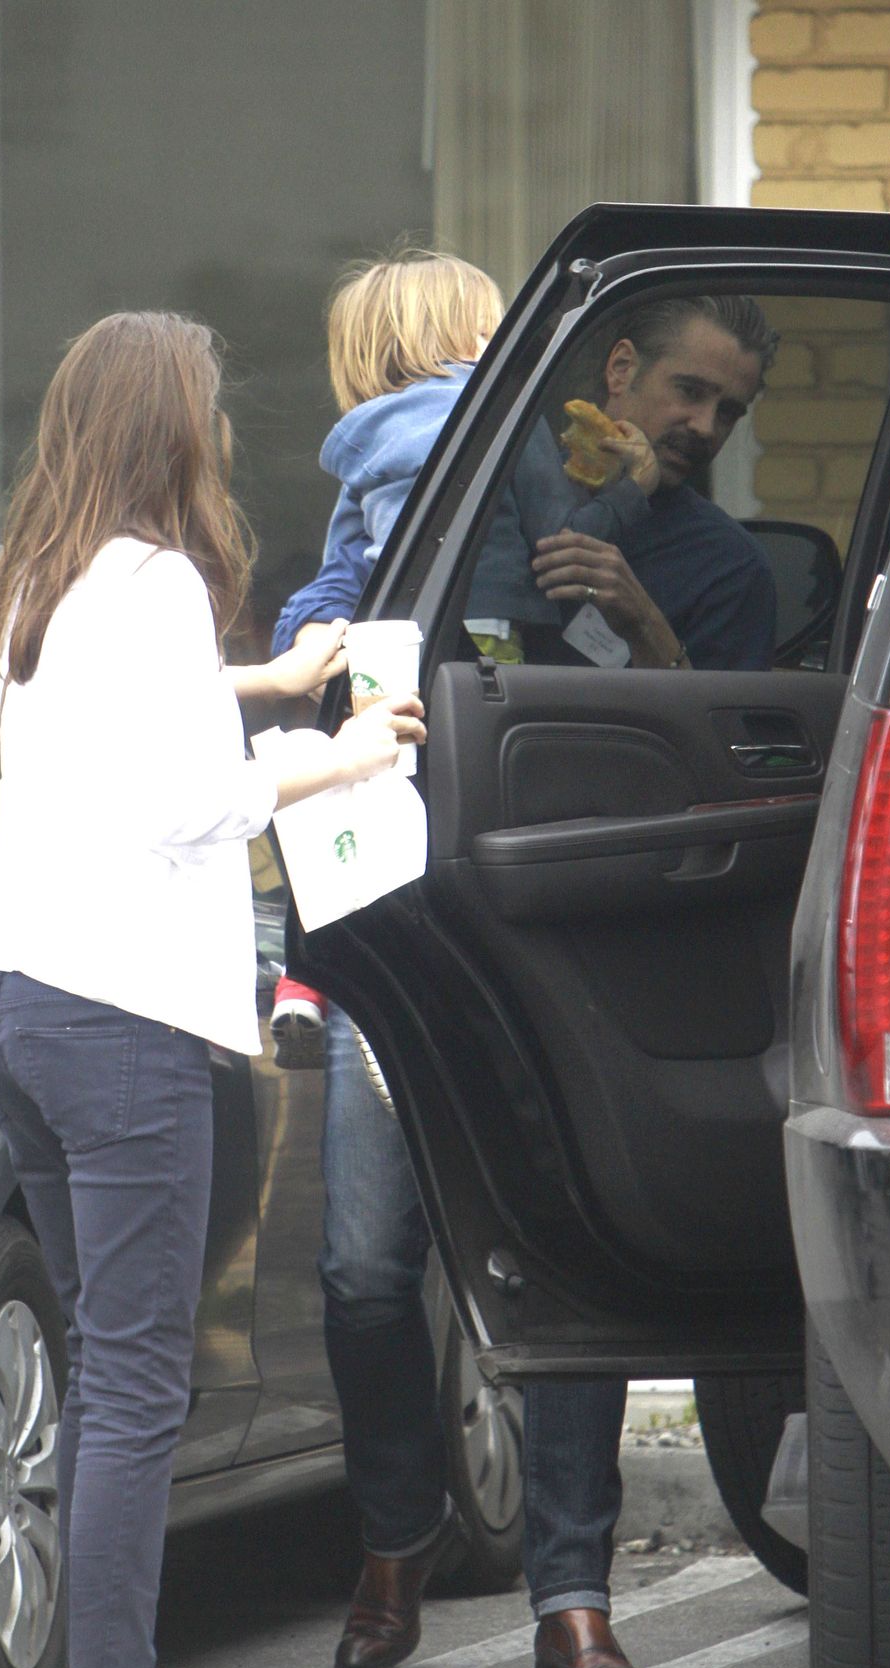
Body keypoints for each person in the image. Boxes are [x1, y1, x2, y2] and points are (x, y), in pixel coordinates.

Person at [279, 281, 778, 1668]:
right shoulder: (455, 497)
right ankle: (395, 1535)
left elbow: (742, 747)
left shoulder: (720, 561)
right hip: (400, 921)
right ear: (615, 370)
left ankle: (575, 1594)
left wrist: (640, 624)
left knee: (570, 1270)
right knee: (367, 1269)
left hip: (574, 941)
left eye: (729, 411)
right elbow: (330, 653)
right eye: (690, 393)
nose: (703, 426)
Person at [0, 310, 424, 1668]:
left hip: (20, 1000)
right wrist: (344, 752)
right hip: (124, 1019)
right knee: (139, 1376)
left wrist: (276, 680)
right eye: (212, 409)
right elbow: (182, 800)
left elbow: (116, 733)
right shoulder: (155, 579)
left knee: (109, 1361)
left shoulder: (45, 576)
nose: (224, 431)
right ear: (170, 425)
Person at [268, 250, 658, 1066]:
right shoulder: (503, 425)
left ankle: (308, 977)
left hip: (388, 664)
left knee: (348, 798)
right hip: (487, 649)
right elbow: (564, 541)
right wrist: (634, 490)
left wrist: (302, 640)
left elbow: (341, 569)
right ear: (473, 337)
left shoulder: (361, 445)